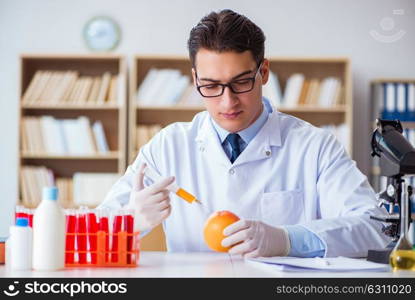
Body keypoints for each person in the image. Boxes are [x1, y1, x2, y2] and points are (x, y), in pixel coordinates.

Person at [102, 9, 390, 258]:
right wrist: (130, 220)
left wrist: (288, 239)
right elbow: (91, 235)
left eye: (240, 82)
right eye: (211, 86)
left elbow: (377, 227)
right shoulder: (168, 146)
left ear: (263, 72)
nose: (227, 102)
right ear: (194, 80)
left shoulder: (315, 146)